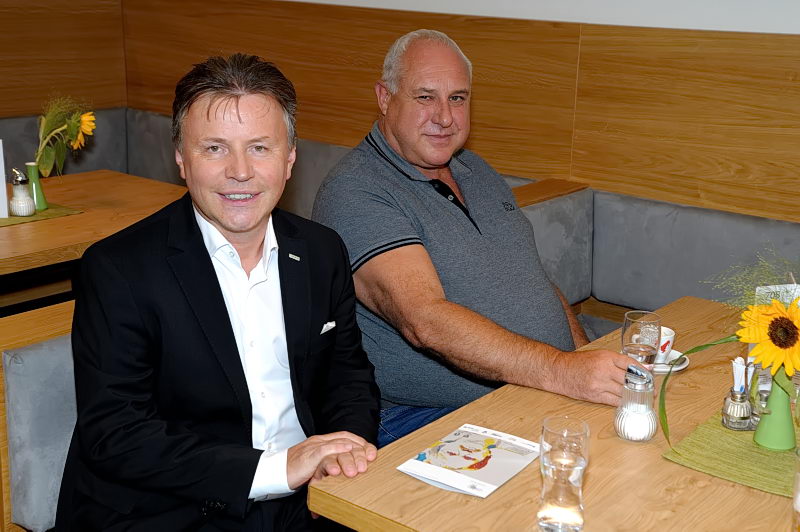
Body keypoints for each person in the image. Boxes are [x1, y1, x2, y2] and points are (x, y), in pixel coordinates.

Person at [56, 53, 380, 531]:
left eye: (260, 148)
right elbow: (117, 433)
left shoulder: (320, 250)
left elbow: (347, 376)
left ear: (290, 158)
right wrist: (276, 470)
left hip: (309, 498)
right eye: (214, 148)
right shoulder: (118, 269)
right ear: (181, 159)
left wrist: (340, 454)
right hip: (171, 509)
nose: (240, 171)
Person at [312, 30, 635, 448]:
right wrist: (562, 371)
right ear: (385, 97)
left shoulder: (476, 170)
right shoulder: (356, 190)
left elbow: (534, 279)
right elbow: (424, 320)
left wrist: (581, 361)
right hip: (425, 417)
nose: (445, 117)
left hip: (535, 388)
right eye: (425, 97)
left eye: (458, 98)